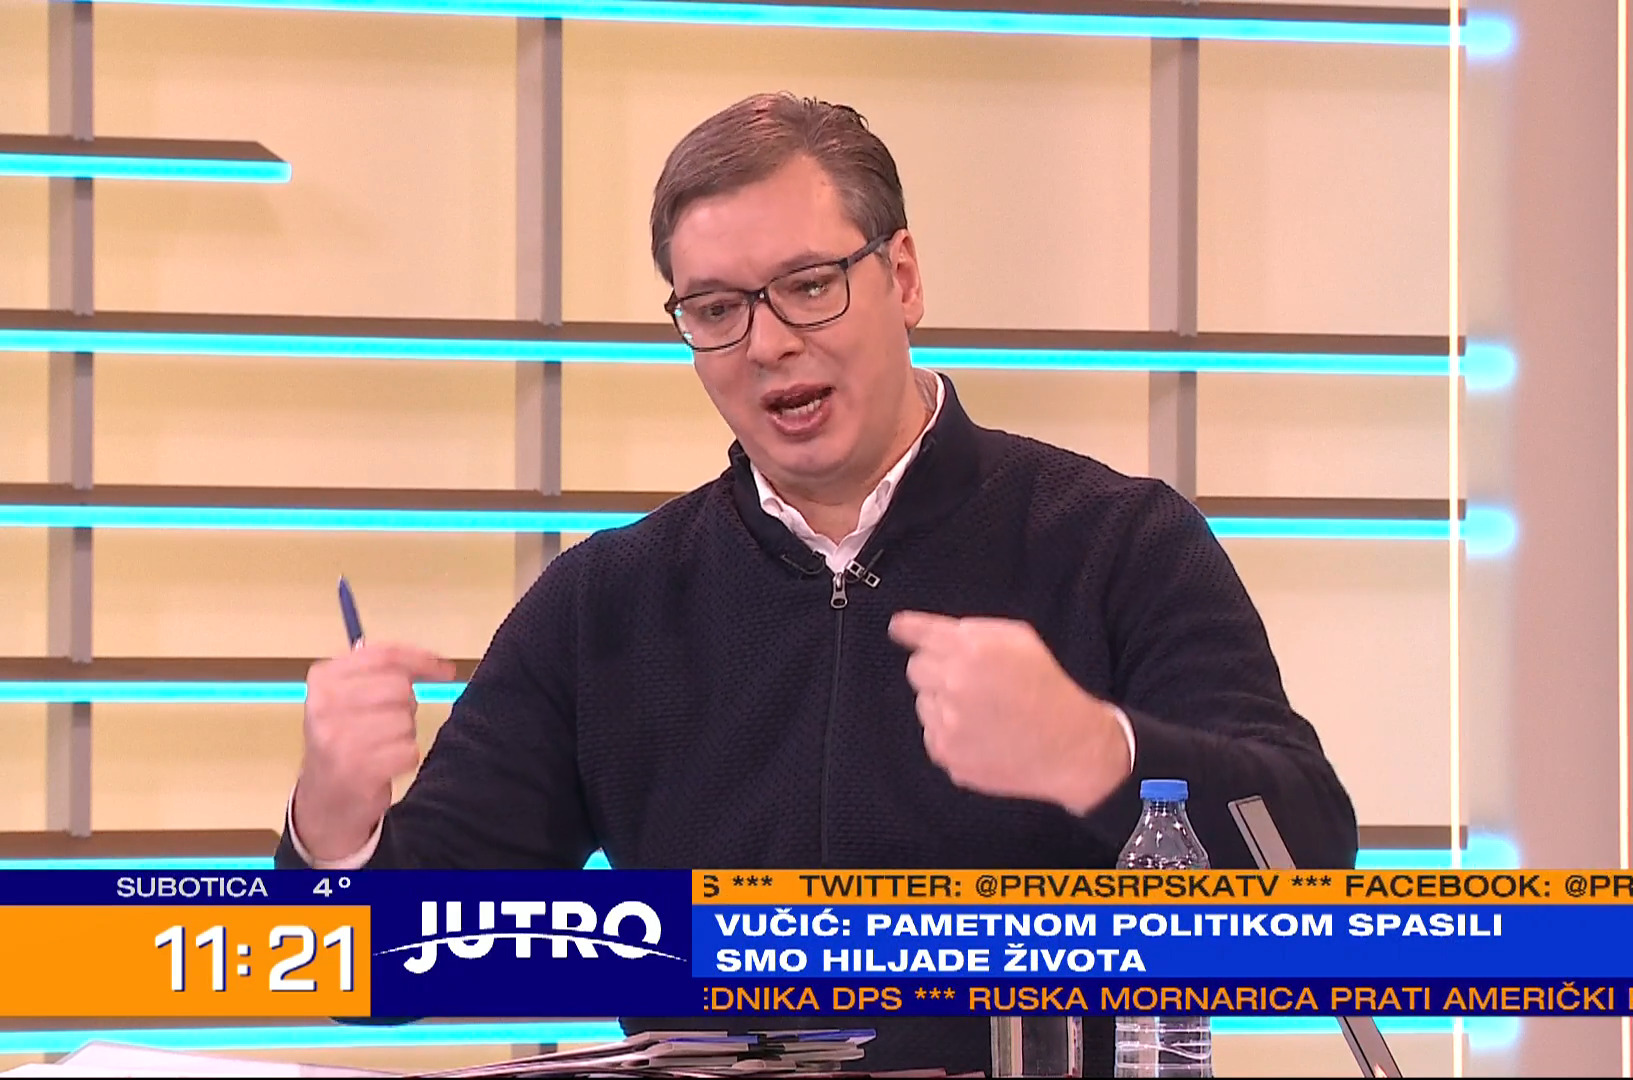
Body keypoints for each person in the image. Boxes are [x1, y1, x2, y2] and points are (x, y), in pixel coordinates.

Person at [277, 92, 1359, 1074]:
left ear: (903, 278)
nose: (768, 345)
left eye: (808, 287)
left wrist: (1096, 753)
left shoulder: (1114, 541)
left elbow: (1310, 870)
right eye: (716, 309)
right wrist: (334, 824)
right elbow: (375, 968)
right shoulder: (606, 602)